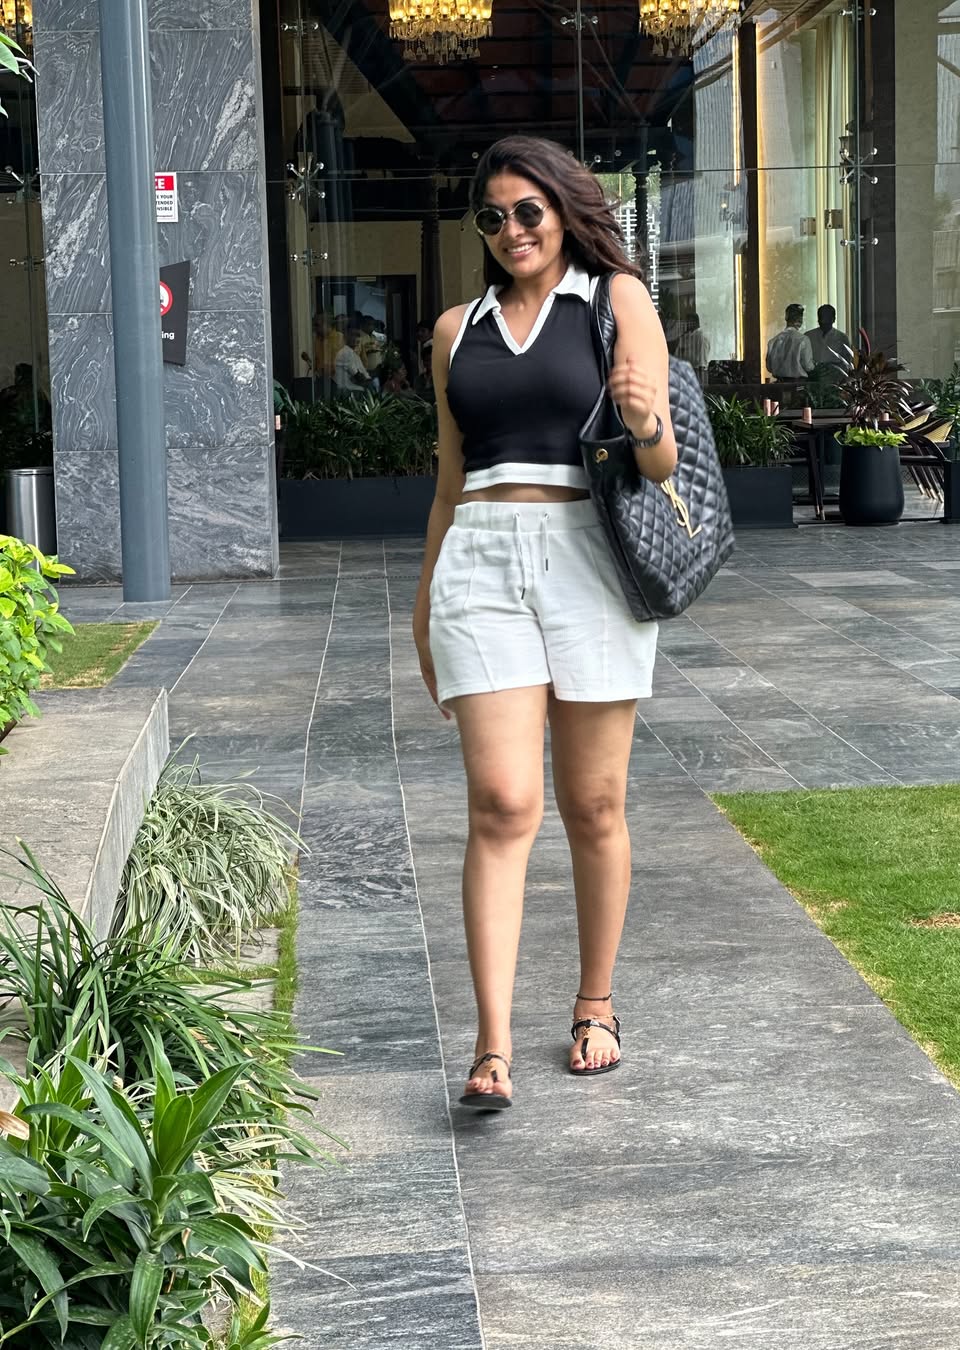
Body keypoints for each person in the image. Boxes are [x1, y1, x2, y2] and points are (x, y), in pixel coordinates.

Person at [413, 135, 676, 1111]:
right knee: (500, 802)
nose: (512, 229)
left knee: (593, 804)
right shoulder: (456, 330)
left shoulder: (615, 300)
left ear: (564, 210)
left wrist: (644, 421)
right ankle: (491, 1045)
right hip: (481, 561)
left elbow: (661, 462)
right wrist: (424, 602)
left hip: (588, 560)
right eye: (493, 216)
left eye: (528, 210)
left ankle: (595, 1005)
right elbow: (449, 484)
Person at [765, 303, 814, 380]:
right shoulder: (803, 340)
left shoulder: (773, 341)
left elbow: (769, 367)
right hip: (798, 384)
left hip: (779, 384)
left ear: (786, 317)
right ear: (800, 319)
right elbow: (808, 367)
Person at [805, 305, 853, 371]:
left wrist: (832, 368)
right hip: (812, 375)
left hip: (835, 375)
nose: (823, 321)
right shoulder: (808, 336)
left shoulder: (842, 338)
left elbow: (847, 363)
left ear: (833, 319)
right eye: (821, 318)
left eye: (826, 318)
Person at [333, 324, 373, 393]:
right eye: (352, 335)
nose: (355, 338)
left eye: (358, 335)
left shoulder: (353, 353)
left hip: (354, 388)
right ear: (346, 337)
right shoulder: (345, 353)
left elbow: (364, 373)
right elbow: (358, 377)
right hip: (347, 391)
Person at [675, 312, 710, 381]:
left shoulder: (701, 337)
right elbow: (676, 357)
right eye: (686, 322)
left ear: (696, 323)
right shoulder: (684, 337)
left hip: (696, 373)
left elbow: (702, 363)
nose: (686, 324)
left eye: (689, 322)